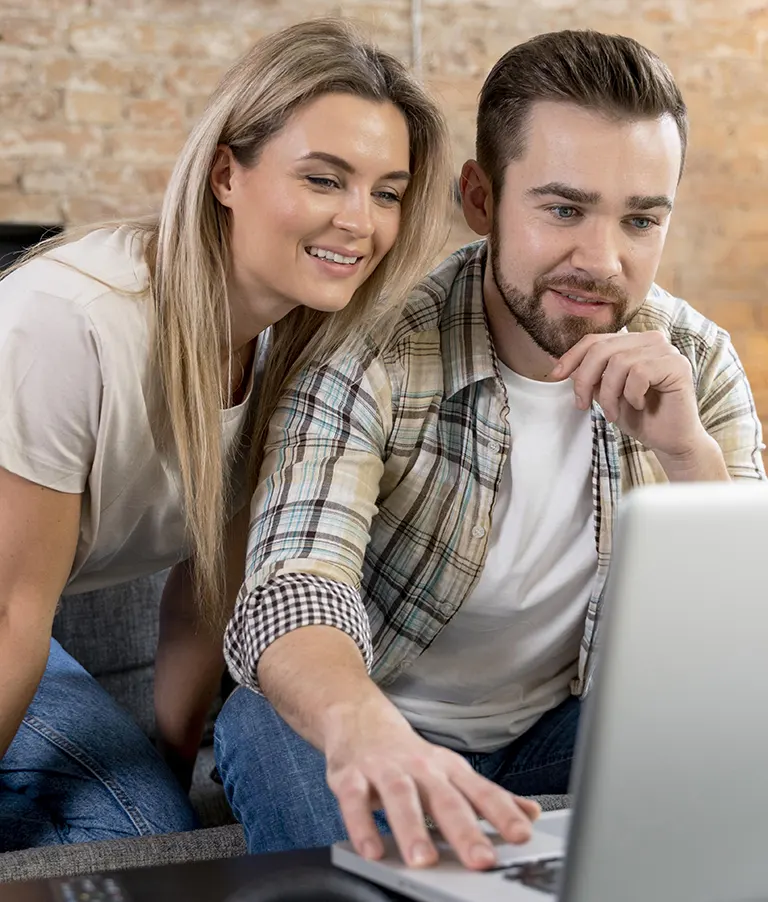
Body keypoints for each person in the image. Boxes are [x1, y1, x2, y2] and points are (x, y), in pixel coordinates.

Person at [215, 28, 766, 871]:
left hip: (560, 734)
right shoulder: (373, 349)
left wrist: (690, 457)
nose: (602, 260)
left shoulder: (695, 361)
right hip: (372, 714)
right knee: (261, 720)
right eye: (562, 208)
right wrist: (370, 732)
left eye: (640, 220)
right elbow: (295, 582)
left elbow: (741, 650)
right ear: (481, 199)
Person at [0, 18, 453, 851]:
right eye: (325, 179)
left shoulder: (297, 350)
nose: (361, 221)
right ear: (224, 174)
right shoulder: (71, 322)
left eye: (386, 192)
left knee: (148, 832)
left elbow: (203, 601)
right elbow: (10, 613)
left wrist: (163, 779)